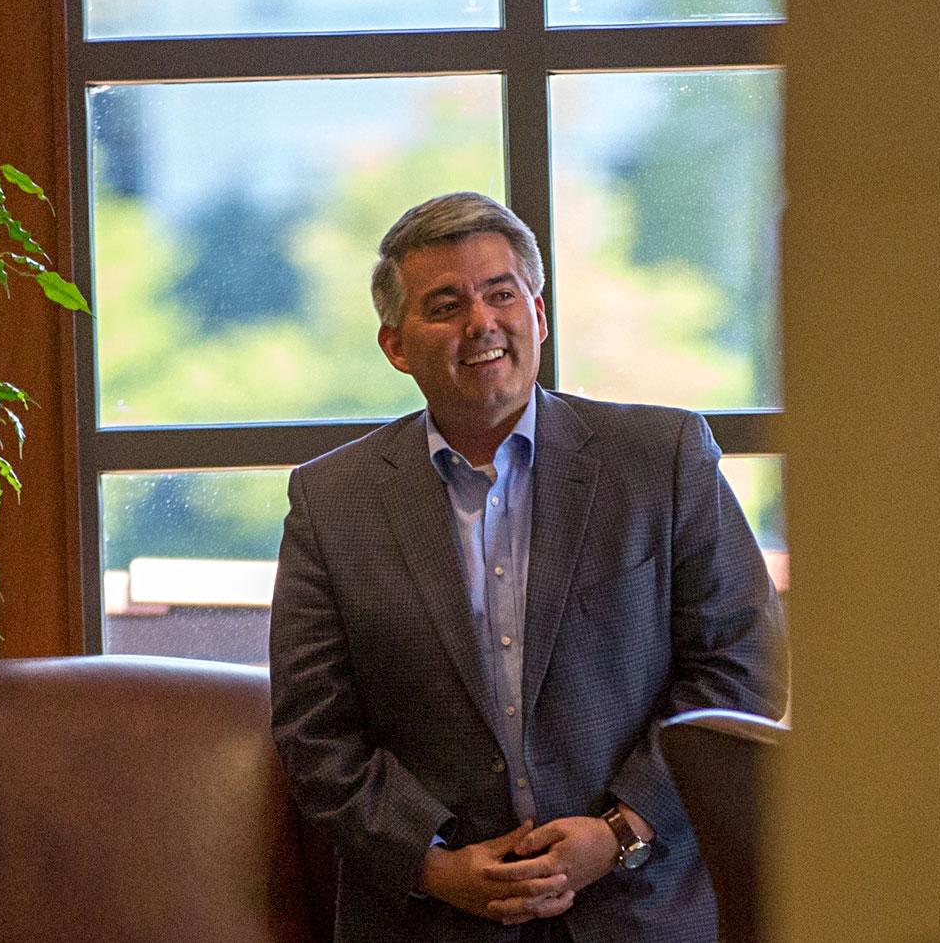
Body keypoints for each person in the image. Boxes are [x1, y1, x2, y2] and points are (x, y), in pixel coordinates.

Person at [270, 192, 786, 943]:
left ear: (538, 315)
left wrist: (619, 830)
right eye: (445, 304)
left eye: (501, 293)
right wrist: (434, 865)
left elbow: (744, 664)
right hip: (431, 920)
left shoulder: (661, 459)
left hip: (638, 908)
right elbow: (314, 729)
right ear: (396, 345)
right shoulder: (331, 500)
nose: (481, 322)